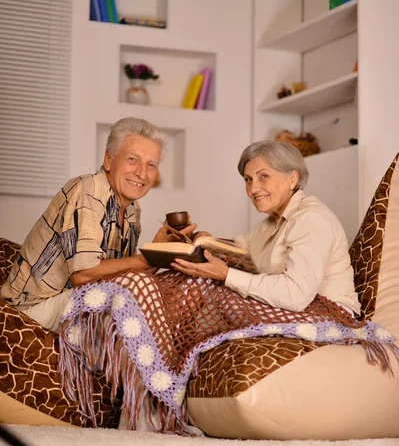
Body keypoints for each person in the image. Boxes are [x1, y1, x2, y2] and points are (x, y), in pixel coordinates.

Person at [1, 117, 196, 332]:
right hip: (27, 314)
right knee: (124, 296)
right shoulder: (89, 191)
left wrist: (160, 249)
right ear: (109, 160)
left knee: (161, 287)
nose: (142, 172)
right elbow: (84, 276)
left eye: (151, 165)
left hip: (75, 301)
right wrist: (147, 258)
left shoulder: (132, 210)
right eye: (133, 159)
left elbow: (121, 275)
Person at [171, 140, 360, 316]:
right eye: (248, 179)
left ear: (292, 179)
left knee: (217, 295)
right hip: (295, 311)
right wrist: (205, 240)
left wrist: (226, 275)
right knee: (194, 281)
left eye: (264, 176)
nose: (253, 189)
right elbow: (236, 250)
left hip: (330, 313)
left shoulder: (311, 219)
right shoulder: (270, 223)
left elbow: (297, 295)